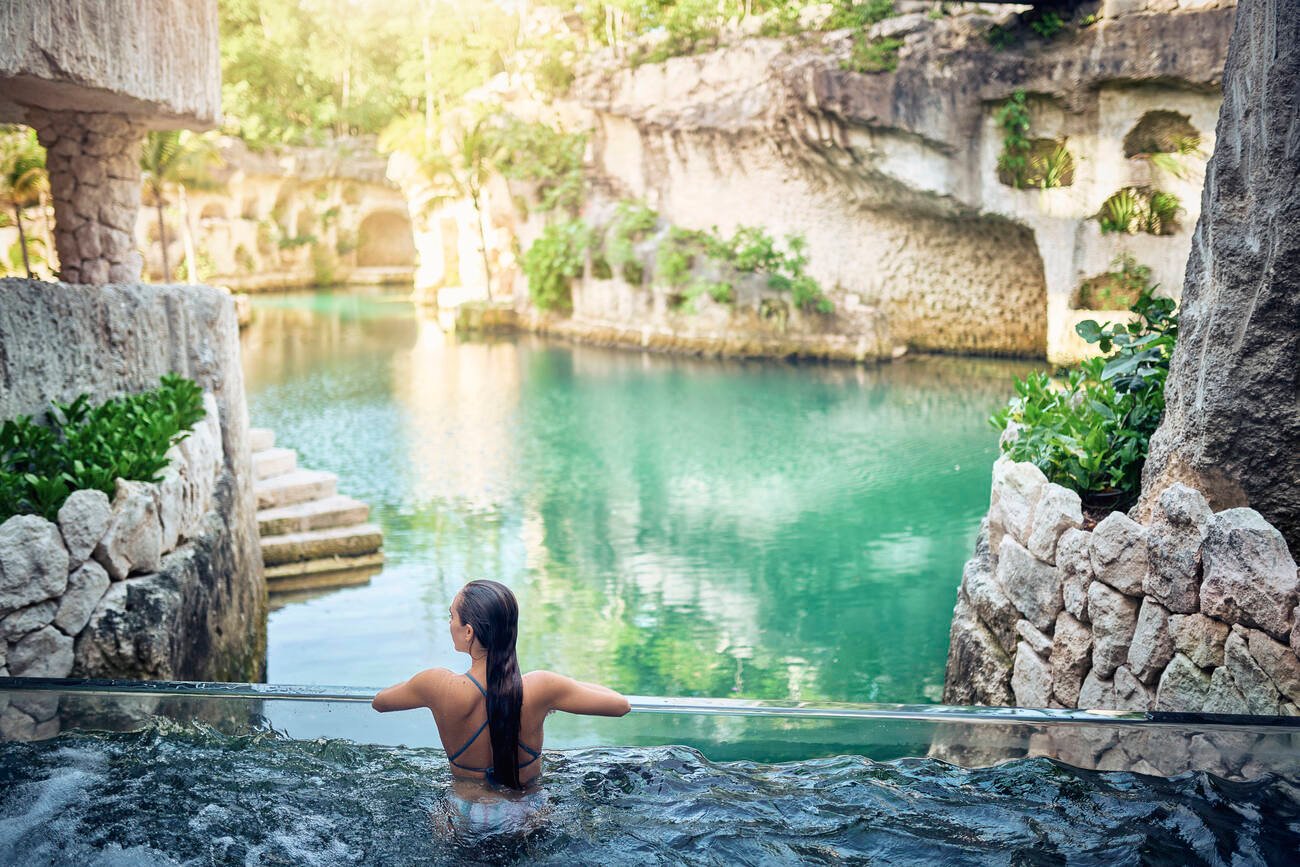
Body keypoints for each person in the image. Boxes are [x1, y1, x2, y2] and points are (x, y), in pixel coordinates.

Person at [372, 578, 631, 792]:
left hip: (461, 816)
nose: (450, 624)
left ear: (469, 631)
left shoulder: (435, 685)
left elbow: (380, 702)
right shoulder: (542, 688)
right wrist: (561, 689)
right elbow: (621, 705)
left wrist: (423, 688)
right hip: (526, 813)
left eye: (451, 616)